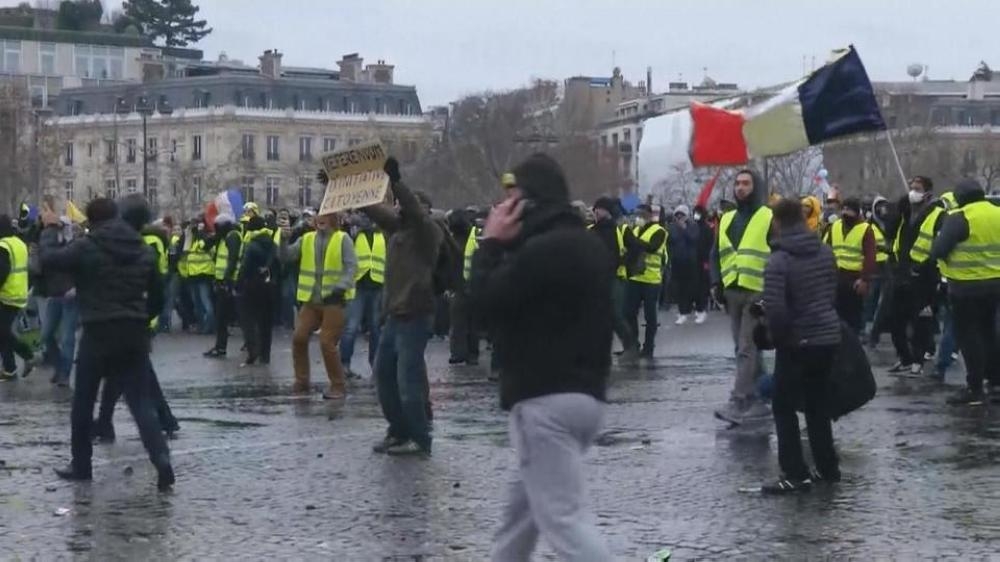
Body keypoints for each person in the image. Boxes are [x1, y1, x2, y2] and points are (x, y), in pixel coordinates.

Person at [471, 154, 613, 560]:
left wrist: (490, 245)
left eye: (511, 197)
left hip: (542, 400)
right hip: (586, 396)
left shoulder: (540, 251)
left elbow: (482, 306)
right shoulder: (586, 244)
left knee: (565, 522)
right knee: (519, 519)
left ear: (528, 201)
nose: (502, 207)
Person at [40, 198, 173, 491]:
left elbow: (50, 260)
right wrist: (141, 317)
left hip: (98, 331)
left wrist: (49, 230)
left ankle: (82, 465)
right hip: (134, 332)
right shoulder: (142, 248)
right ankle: (161, 458)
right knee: (141, 403)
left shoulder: (88, 246)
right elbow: (159, 297)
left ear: (92, 219)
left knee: (84, 401)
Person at [759, 198, 842, 494]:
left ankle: (795, 472)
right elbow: (833, 290)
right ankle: (828, 467)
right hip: (827, 336)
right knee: (818, 404)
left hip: (797, 341)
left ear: (777, 223)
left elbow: (776, 309)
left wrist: (778, 338)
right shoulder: (824, 251)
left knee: (783, 405)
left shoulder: (779, 259)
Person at [360, 157, 442, 456]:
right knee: (384, 378)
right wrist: (342, 189)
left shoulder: (428, 232)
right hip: (394, 316)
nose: (396, 207)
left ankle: (420, 438)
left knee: (408, 382)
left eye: (402, 204)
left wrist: (396, 181)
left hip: (416, 314)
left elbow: (415, 212)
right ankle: (398, 430)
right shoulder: (397, 230)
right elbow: (376, 211)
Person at [93, 197, 179, 442]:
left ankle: (161, 421)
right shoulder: (144, 240)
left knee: (131, 375)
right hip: (137, 317)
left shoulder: (142, 243)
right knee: (125, 374)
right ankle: (109, 422)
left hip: (134, 318)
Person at [711, 169, 773, 424]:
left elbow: (779, 254)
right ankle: (761, 396)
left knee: (746, 347)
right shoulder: (726, 219)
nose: (740, 188)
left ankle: (740, 399)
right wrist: (715, 282)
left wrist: (771, 293)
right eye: (737, 183)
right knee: (744, 346)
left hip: (757, 290)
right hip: (732, 290)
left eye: (746, 183)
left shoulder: (768, 216)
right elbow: (715, 253)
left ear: (755, 187)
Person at [930, 179, 1000, 405]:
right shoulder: (997, 213)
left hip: (966, 288)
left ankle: (975, 388)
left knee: (970, 337)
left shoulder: (960, 217)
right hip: (996, 285)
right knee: (990, 333)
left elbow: (938, 250)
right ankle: (996, 383)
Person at [283, 212, 356, 398]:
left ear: (334, 219)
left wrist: (340, 287)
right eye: (318, 216)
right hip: (311, 300)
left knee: (326, 342)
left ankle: (338, 386)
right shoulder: (306, 238)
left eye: (326, 216)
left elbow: (351, 268)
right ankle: (302, 381)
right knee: (298, 337)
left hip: (334, 301)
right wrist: (283, 239)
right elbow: (287, 257)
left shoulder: (343, 239)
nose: (320, 219)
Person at [887, 176, 945, 376]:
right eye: (911, 188)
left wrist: (931, 272)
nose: (913, 192)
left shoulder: (938, 215)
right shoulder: (905, 214)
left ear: (927, 193)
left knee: (921, 322)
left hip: (924, 277)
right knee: (895, 321)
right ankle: (904, 357)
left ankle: (918, 361)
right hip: (901, 274)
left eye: (917, 189)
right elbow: (890, 232)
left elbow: (939, 246)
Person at [590, 196, 638, 362]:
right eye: (595, 209)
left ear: (606, 211)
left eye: (598, 209)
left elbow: (636, 248)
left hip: (616, 278)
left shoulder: (621, 230)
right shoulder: (591, 230)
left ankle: (630, 346)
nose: (595, 211)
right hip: (596, 279)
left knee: (615, 314)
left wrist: (624, 261)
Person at [340, 214, 385, 378]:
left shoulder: (382, 234)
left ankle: (376, 365)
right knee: (351, 327)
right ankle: (344, 364)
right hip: (358, 285)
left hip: (377, 284)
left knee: (375, 329)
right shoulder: (353, 234)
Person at [36, 217, 78, 386]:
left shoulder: (76, 246)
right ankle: (59, 365)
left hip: (71, 295)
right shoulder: (48, 248)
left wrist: (77, 287)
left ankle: (64, 374)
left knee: (68, 336)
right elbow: (40, 269)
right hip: (54, 294)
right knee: (46, 335)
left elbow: (84, 268)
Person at [825, 198, 876, 334]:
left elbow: (870, 256)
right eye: (844, 209)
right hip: (836, 278)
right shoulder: (835, 226)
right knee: (836, 317)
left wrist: (864, 279)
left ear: (856, 212)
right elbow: (826, 249)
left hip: (854, 280)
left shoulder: (865, 229)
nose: (845, 212)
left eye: (849, 210)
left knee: (853, 319)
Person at [624, 204, 667, 359]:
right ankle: (633, 344)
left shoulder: (659, 231)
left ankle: (648, 347)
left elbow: (652, 247)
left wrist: (633, 241)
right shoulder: (635, 230)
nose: (638, 217)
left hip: (651, 279)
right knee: (629, 313)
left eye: (641, 214)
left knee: (650, 316)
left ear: (649, 215)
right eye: (636, 214)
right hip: (635, 277)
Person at [0, 215, 37, 381]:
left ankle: (27, 356)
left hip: (6, 294)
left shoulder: (3, 246)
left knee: (3, 332)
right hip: (18, 292)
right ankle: (10, 369)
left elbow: (2, 272)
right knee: (3, 332)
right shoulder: (19, 243)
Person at [238, 216, 277, 366]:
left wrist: (239, 282)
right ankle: (265, 356)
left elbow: (245, 267)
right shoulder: (272, 243)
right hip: (269, 286)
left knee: (248, 319)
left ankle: (253, 348)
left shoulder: (252, 245)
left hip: (252, 286)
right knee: (266, 322)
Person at [204, 214, 242, 358]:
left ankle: (252, 345)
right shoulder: (223, 237)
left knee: (238, 316)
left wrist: (226, 279)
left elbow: (232, 260)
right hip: (222, 280)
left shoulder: (232, 236)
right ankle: (220, 347)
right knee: (222, 317)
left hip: (230, 281)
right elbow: (207, 246)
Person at [669, 204, 705, 325]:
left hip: (691, 262)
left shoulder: (693, 226)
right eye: (677, 215)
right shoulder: (672, 227)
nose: (680, 218)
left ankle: (700, 311)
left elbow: (694, 239)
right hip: (677, 262)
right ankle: (682, 312)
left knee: (694, 288)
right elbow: (671, 241)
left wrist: (684, 228)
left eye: (682, 215)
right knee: (680, 289)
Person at [184, 217, 215, 334]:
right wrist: (187, 234)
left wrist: (200, 233)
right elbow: (185, 250)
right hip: (192, 275)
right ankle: (201, 326)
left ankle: (209, 326)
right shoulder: (190, 239)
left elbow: (206, 246)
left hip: (203, 274)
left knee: (205, 301)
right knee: (197, 304)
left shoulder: (205, 237)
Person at [692, 205, 714, 321]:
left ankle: (702, 307)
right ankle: (697, 307)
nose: (696, 215)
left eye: (698, 213)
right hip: (693, 260)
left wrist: (707, 261)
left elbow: (710, 246)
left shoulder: (707, 229)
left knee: (703, 285)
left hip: (703, 261)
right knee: (695, 285)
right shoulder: (693, 227)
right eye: (695, 213)